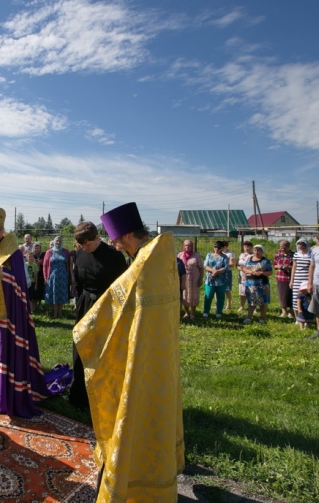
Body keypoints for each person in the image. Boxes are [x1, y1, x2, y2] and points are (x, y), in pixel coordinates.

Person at [73, 202, 183, 502]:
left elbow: (116, 303)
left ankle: (129, 473)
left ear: (126, 235)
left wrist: (84, 330)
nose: (114, 244)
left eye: (116, 238)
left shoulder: (143, 263)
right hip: (158, 352)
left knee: (135, 410)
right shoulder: (160, 255)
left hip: (141, 352)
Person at [0, 204, 68, 418]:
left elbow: (16, 285)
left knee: (2, 351)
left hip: (5, 315)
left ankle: (3, 394)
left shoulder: (12, 252)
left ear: (0, 228)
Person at [70, 221, 127, 412]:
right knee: (80, 348)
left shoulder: (114, 257)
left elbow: (121, 287)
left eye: (87, 244)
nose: (85, 248)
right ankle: (79, 395)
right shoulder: (79, 253)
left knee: (103, 353)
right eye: (81, 245)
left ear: (96, 237)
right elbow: (78, 281)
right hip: (85, 305)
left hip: (106, 308)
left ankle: (104, 396)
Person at [43, 235, 73, 319]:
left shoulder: (66, 251)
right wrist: (45, 277)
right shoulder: (49, 252)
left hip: (63, 276)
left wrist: (70, 276)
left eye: (60, 241)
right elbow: (45, 265)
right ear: (54, 241)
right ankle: (55, 313)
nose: (58, 242)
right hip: (52, 277)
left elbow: (69, 264)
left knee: (62, 294)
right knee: (54, 294)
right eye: (57, 241)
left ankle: (60, 312)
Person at [242, 244, 272, 324]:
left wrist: (262, 272)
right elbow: (244, 268)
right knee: (251, 302)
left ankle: (262, 318)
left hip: (262, 284)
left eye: (259, 250)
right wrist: (251, 272)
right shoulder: (249, 259)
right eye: (255, 250)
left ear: (262, 252)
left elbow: (270, 272)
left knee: (263, 302)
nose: (257, 252)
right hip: (250, 284)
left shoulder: (265, 261)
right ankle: (249, 317)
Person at [177, 239, 203, 320]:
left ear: (192, 246)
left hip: (194, 279)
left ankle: (192, 313)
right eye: (186, 245)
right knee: (184, 295)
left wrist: (200, 279)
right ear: (183, 246)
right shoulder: (180, 255)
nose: (187, 247)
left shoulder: (196, 256)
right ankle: (186, 313)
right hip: (183, 279)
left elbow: (201, 268)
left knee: (193, 295)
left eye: (189, 245)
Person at [203, 240, 229, 319]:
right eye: (215, 246)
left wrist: (217, 272)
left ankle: (218, 312)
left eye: (219, 247)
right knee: (208, 295)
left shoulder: (224, 257)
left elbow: (226, 267)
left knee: (220, 296)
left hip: (221, 281)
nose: (216, 249)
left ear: (222, 248)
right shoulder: (209, 255)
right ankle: (206, 312)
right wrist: (213, 271)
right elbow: (205, 265)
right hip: (210, 279)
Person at [289, 238, 312, 324]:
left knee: (306, 299)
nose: (301, 249)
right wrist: (292, 280)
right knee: (295, 299)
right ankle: (297, 318)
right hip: (297, 279)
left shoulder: (311, 254)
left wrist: (310, 281)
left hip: (306, 279)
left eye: (303, 247)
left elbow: (312, 267)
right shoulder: (296, 255)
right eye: (299, 247)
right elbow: (294, 267)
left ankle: (306, 318)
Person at [273, 240, 295, 319]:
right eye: (281, 248)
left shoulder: (293, 255)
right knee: (282, 294)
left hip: (290, 277)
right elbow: (274, 265)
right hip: (280, 277)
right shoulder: (278, 254)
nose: (282, 250)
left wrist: (288, 267)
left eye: (284, 248)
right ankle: (284, 311)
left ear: (288, 247)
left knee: (291, 295)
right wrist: (278, 266)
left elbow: (296, 267)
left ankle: (291, 312)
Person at [236, 241, 253, 312]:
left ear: (251, 247)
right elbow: (237, 265)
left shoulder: (253, 255)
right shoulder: (241, 255)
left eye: (249, 246)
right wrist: (241, 269)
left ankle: (253, 307)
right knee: (242, 292)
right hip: (242, 276)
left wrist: (247, 270)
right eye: (245, 246)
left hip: (250, 276)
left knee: (252, 291)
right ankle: (242, 306)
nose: (247, 248)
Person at [220, 241, 235, 312]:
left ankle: (228, 305)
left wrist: (224, 266)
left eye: (223, 247)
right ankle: (218, 304)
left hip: (226, 273)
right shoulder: (219, 253)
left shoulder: (230, 254)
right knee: (218, 289)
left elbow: (232, 264)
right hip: (219, 272)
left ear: (226, 246)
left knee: (227, 289)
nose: (222, 248)